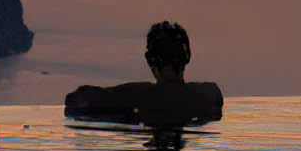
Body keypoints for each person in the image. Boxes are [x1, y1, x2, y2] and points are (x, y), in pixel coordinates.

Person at [64, 20, 223, 125]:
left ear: (150, 60)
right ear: (187, 57)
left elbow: (75, 100)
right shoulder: (208, 93)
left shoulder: (139, 95)